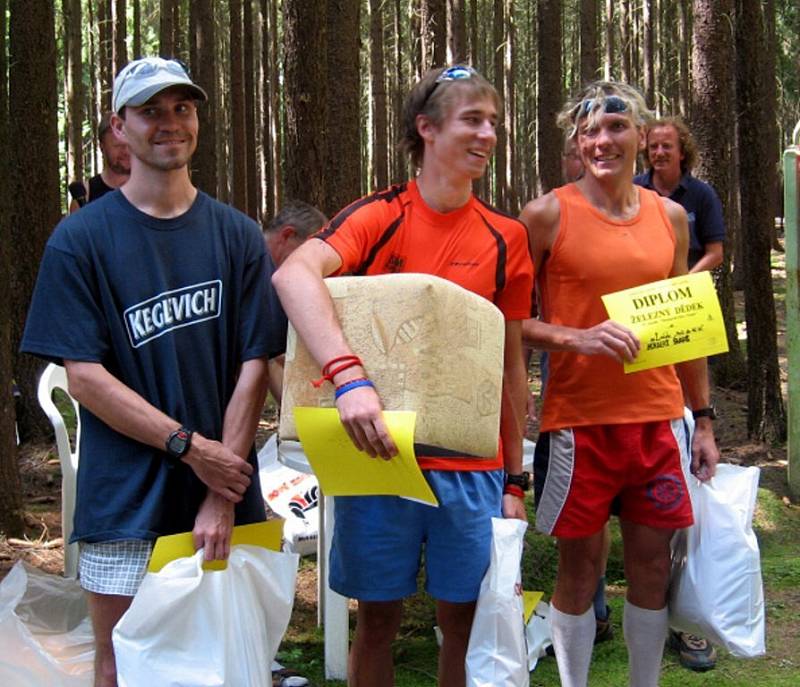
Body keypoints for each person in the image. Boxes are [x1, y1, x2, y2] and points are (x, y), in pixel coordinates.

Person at [273, 64, 533, 686]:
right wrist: (349, 377)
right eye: (473, 120)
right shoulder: (379, 214)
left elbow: (510, 364)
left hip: (471, 466)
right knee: (379, 619)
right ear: (428, 128)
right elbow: (292, 276)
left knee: (462, 621)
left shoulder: (507, 238)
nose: (488, 134)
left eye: (494, 123)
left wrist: (516, 479)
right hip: (374, 453)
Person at [21, 56, 277, 687]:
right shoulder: (79, 241)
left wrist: (220, 489)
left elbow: (253, 364)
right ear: (120, 126)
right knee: (122, 663)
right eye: (151, 111)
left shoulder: (238, 236)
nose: (170, 123)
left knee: (225, 660)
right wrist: (191, 449)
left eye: (182, 108)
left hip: (224, 497)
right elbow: (85, 378)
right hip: (125, 500)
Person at [520, 81, 720, 687]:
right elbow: (508, 320)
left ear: (641, 135)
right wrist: (573, 338)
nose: (601, 141)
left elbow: (687, 327)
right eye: (588, 132)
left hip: (658, 423)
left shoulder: (672, 217)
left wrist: (704, 420)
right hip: (578, 424)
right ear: (577, 143)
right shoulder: (546, 214)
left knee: (652, 567)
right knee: (580, 570)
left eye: (614, 128)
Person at [634, 116, 725, 272]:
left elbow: (715, 253)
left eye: (667, 146)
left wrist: (682, 285)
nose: (659, 152)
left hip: (687, 283)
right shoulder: (633, 189)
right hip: (643, 288)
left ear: (682, 153)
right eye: (653, 147)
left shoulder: (702, 194)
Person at [262, 201, 328, 405]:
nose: (309, 264)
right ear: (287, 235)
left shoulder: (277, 274)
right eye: (305, 253)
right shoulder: (246, 261)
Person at [68, 112, 131, 212]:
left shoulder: (153, 189)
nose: (126, 151)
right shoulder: (85, 195)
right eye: (118, 146)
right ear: (102, 146)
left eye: (130, 144)